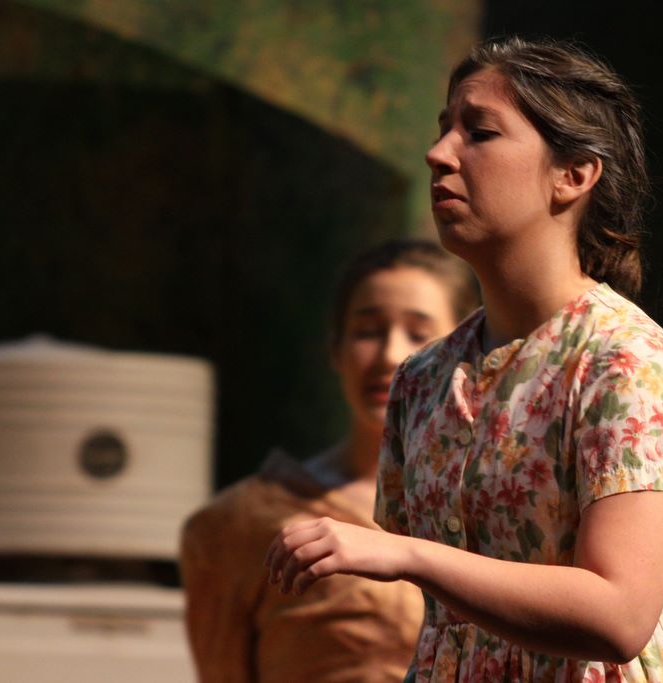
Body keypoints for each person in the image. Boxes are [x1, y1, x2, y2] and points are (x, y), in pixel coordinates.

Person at [265, 37, 663, 682]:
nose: (439, 154)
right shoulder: (423, 379)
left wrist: (407, 555)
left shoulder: (622, 360)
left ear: (573, 175)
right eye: (443, 130)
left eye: (479, 133)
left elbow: (620, 615)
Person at [181, 239, 479, 682]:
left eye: (418, 334)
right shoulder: (242, 523)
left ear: (466, 350)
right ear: (335, 349)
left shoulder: (509, 506)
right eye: (367, 331)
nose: (390, 355)